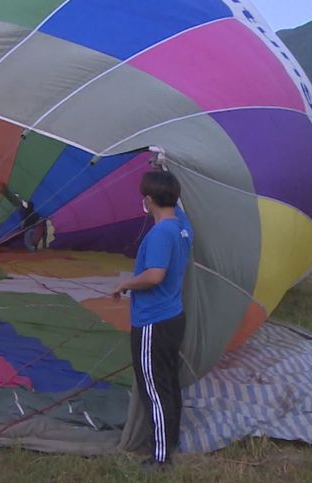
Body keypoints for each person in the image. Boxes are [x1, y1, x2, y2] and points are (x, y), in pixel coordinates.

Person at [112, 170, 192, 468]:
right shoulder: (182, 227)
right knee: (168, 382)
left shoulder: (160, 234)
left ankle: (160, 458)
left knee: (154, 389)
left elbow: (155, 275)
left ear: (148, 200)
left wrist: (125, 284)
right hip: (173, 317)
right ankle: (170, 440)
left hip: (152, 322)